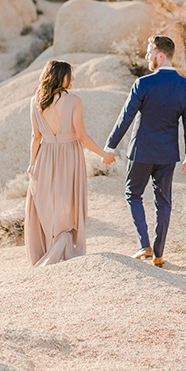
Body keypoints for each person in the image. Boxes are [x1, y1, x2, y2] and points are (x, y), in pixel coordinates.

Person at [104, 35, 186, 268]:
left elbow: (126, 116)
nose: (147, 57)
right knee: (163, 202)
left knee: (133, 194)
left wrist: (109, 146)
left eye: (149, 52)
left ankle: (144, 246)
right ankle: (158, 254)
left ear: (160, 55)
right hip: (168, 155)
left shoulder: (143, 84)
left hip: (141, 152)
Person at [25, 60, 115, 266]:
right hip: (69, 156)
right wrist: (104, 154)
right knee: (68, 201)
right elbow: (82, 136)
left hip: (45, 156)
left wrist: (32, 163)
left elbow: (35, 137)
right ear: (60, 77)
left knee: (48, 202)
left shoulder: (35, 101)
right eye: (70, 75)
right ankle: (64, 244)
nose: (73, 79)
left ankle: (51, 247)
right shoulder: (74, 101)